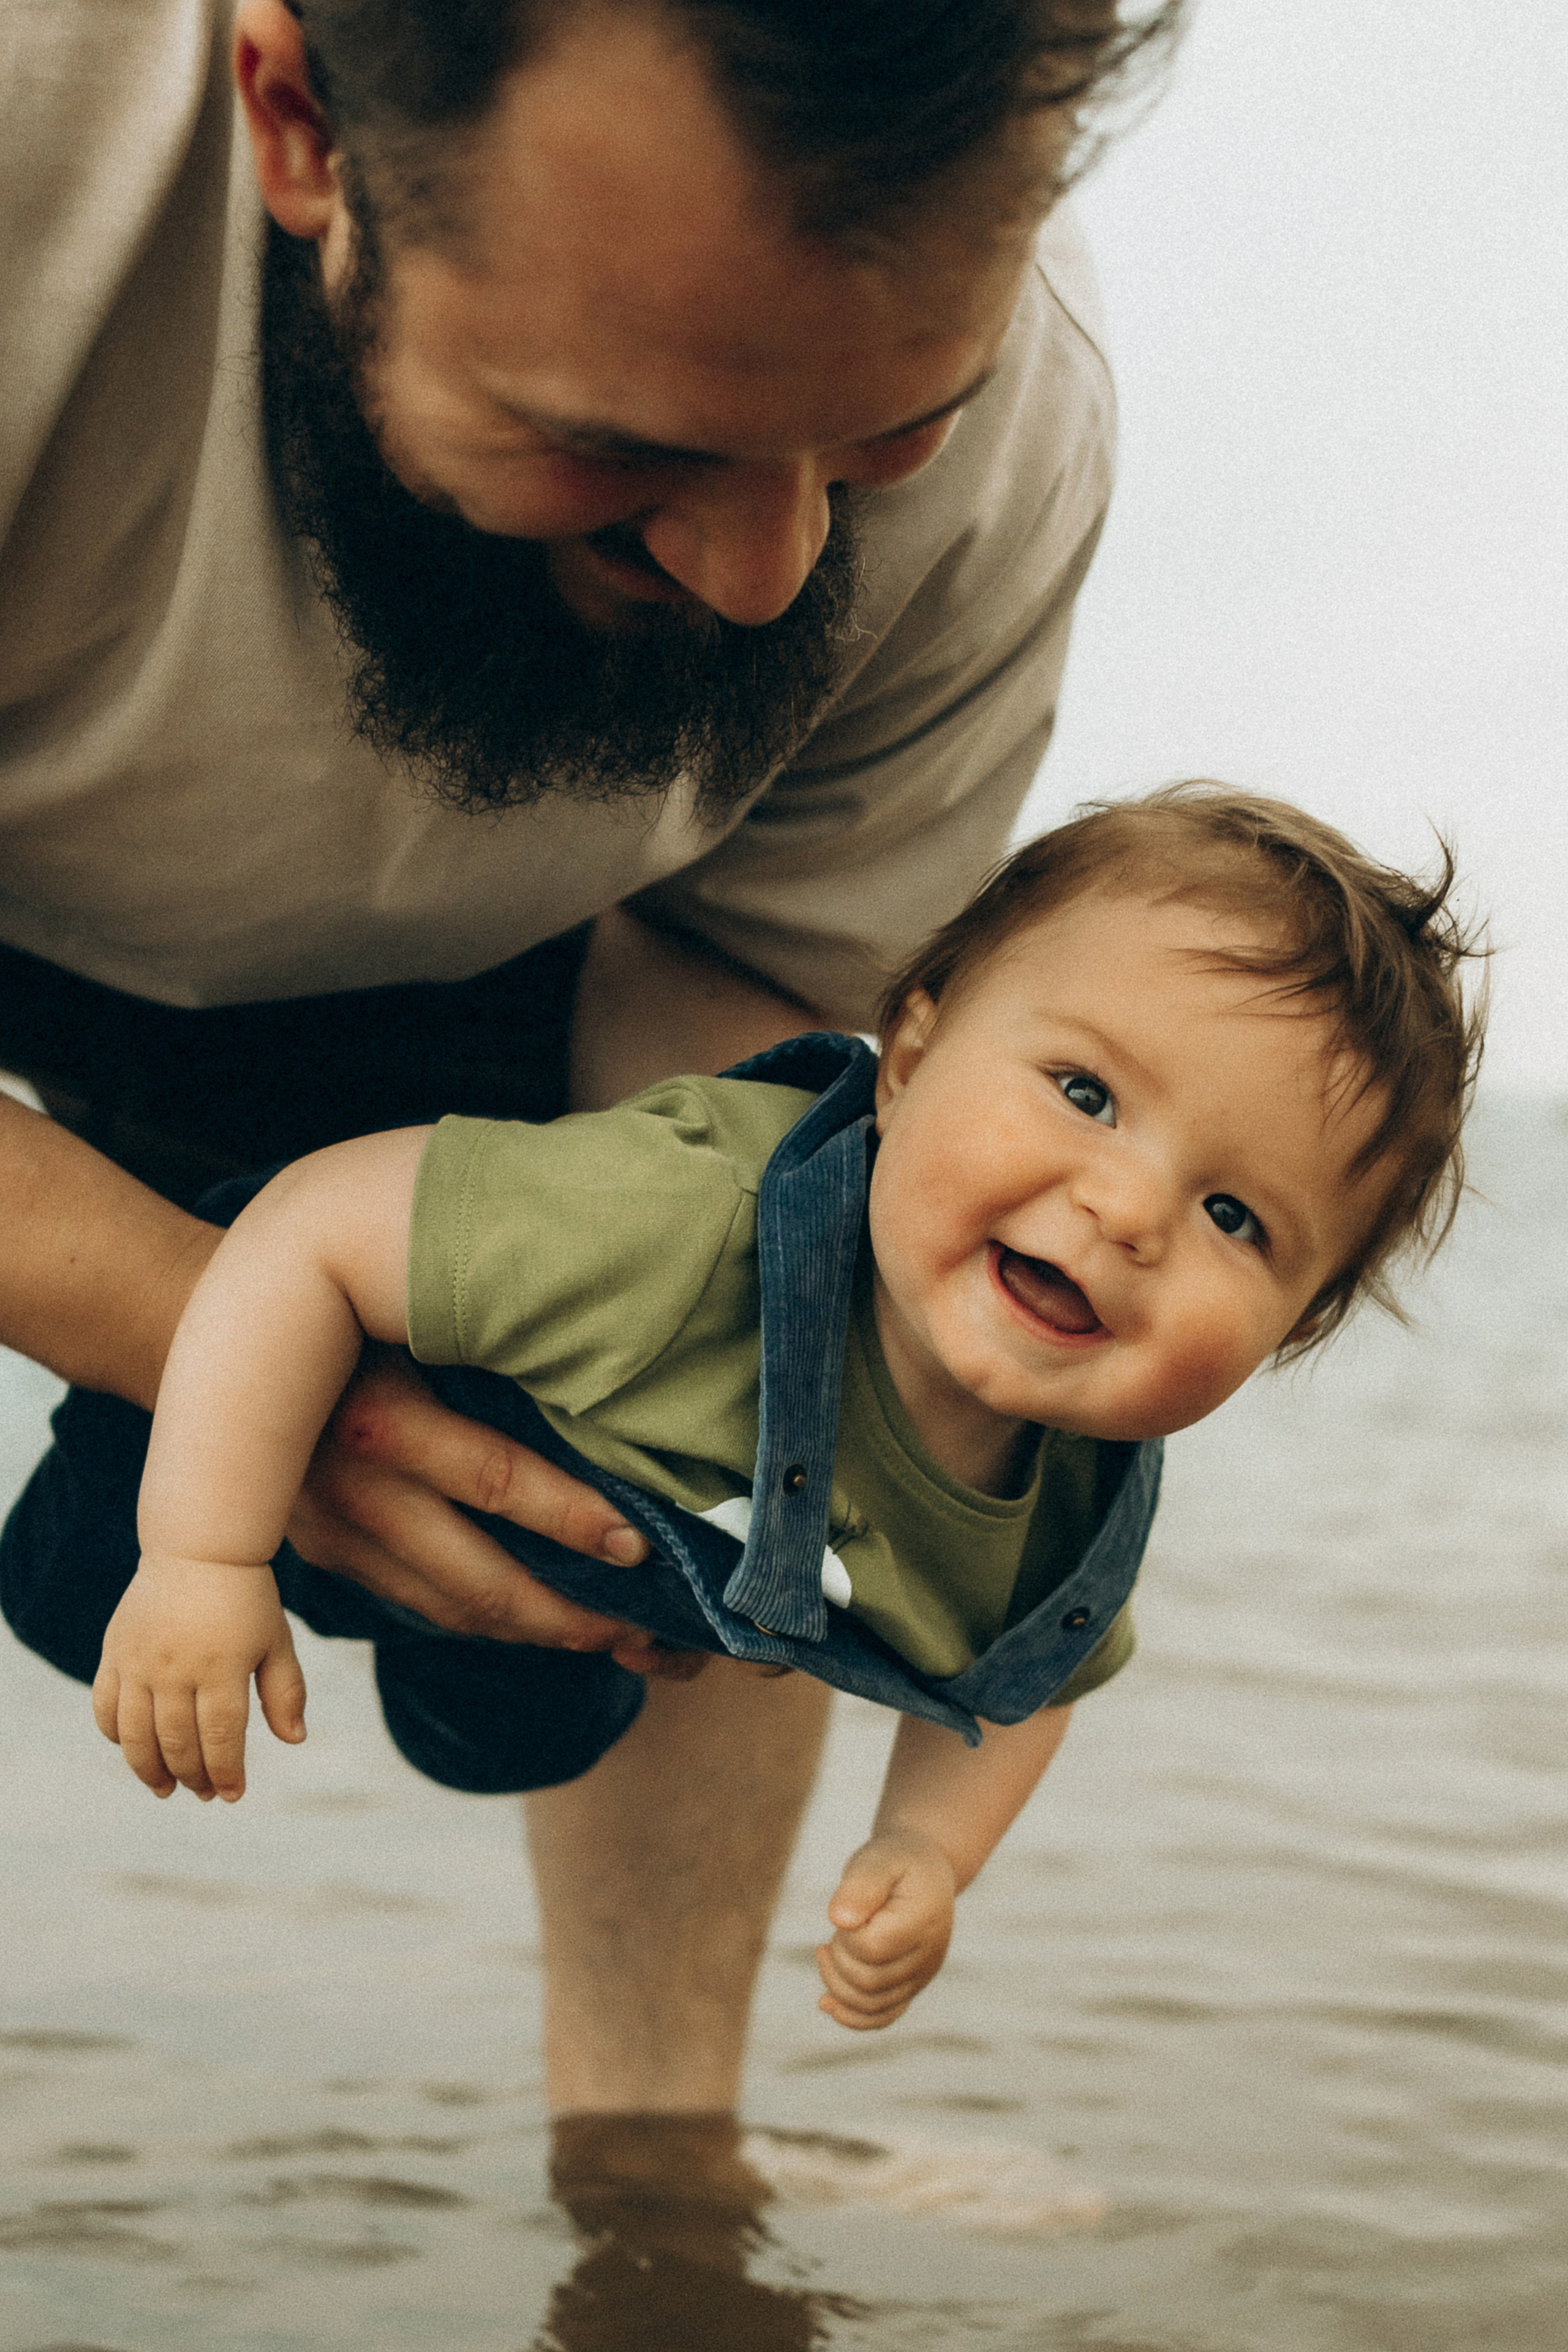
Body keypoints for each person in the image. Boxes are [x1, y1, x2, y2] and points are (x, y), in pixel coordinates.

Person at [0, 0, 1186, 2109]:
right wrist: (234, 1355)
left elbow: (779, 1178)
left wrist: (576, 1430)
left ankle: (656, 2182)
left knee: (783, 1339)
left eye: (879, 436)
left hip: (552, 934)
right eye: (623, 440)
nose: (767, 573)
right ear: (298, 121)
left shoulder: (1019, 428)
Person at [45, 786, 1480, 2033]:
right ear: (909, 1058)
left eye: (1234, 1215)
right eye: (1083, 1092)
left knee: (513, 1742)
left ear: (1294, 1324)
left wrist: (926, 1849)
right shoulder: (674, 1223)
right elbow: (310, 1232)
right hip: (315, 1371)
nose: (1126, 1210)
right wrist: (204, 1555)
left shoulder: (1073, 1502)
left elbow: (1021, 1678)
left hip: (585, 1576)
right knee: (76, 1599)